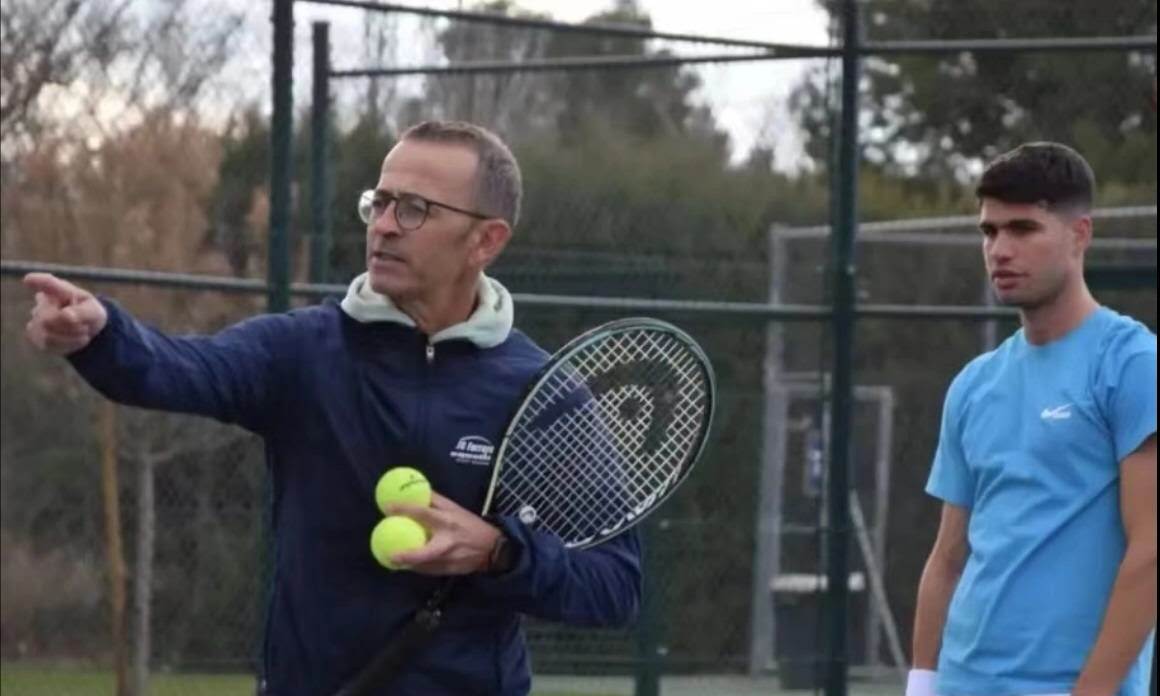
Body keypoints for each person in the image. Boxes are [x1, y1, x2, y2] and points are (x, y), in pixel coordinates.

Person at [23, 120, 642, 696]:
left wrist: (498, 553)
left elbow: (614, 585)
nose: (385, 225)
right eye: (380, 202)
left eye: (415, 208)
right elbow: (179, 368)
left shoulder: (542, 393)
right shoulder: (303, 351)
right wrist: (101, 335)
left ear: (486, 239)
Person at [907, 142, 1156, 696]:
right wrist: (921, 683)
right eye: (989, 231)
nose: (1000, 249)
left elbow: (1151, 551)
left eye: (1022, 229)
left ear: (1079, 234)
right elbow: (948, 558)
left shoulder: (1133, 364)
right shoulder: (973, 385)